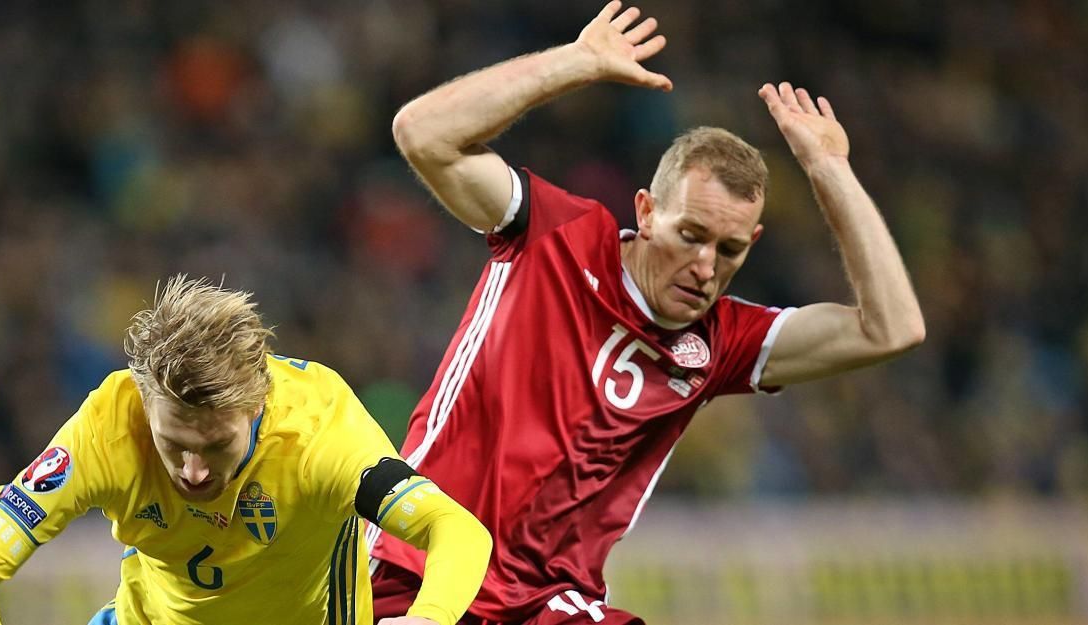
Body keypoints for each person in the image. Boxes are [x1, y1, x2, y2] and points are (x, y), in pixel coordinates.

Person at [369, 2, 925, 624]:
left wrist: (830, 170)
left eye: (729, 250)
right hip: (424, 571)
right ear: (647, 212)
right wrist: (576, 62)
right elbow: (422, 132)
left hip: (550, 604)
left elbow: (893, 329)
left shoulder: (724, 341)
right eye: (691, 235)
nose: (705, 266)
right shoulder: (557, 234)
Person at [0, 275, 493, 625]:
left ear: (258, 402)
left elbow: (458, 530)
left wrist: (430, 618)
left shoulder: (319, 431)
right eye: (173, 444)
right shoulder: (108, 426)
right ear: (145, 401)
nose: (194, 471)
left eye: (217, 444)